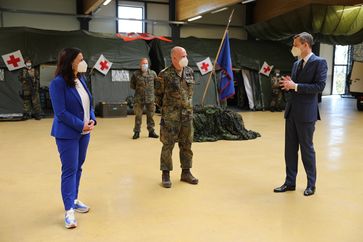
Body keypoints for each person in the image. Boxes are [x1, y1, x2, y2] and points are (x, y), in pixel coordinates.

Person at [274, 32, 327, 196]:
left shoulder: (319, 63)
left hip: (306, 114)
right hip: (292, 112)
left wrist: (295, 86)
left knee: (307, 149)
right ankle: (290, 182)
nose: (293, 48)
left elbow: (319, 87)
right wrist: (288, 85)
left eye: (295, 45)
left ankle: (311, 184)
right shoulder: (296, 64)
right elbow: (295, 86)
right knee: (289, 150)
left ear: (305, 45)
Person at [49, 48, 96, 228]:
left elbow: (89, 103)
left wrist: (91, 118)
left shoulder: (81, 79)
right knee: (69, 170)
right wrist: (80, 124)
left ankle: (74, 199)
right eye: (81, 59)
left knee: (78, 167)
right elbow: (60, 113)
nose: (84, 62)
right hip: (67, 134)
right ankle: (68, 211)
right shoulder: (58, 83)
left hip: (84, 133)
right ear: (71, 62)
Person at [155, 46, 199, 188]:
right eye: (182, 56)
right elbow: (158, 96)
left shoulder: (190, 72)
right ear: (173, 58)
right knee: (168, 145)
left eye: (186, 55)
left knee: (187, 144)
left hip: (187, 115)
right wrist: (168, 109)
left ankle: (186, 172)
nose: (185, 58)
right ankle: (166, 174)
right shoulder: (164, 74)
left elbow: (190, 93)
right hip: (170, 117)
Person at [130, 58, 159, 139]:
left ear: (148, 64)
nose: (144, 65)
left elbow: (156, 85)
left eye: (146, 63)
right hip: (138, 99)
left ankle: (151, 131)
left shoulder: (153, 73)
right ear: (140, 65)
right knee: (138, 116)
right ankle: (137, 132)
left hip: (150, 98)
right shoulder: (135, 74)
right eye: (143, 63)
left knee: (151, 116)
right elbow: (132, 85)